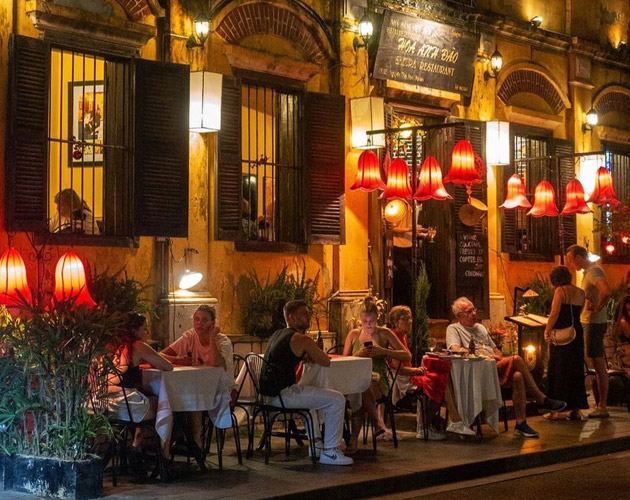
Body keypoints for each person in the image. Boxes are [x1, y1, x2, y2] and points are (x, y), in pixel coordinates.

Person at [446, 297, 566, 438]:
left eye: (474, 309)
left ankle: (521, 423)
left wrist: (496, 357)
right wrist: (482, 354)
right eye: (469, 311)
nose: (474, 313)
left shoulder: (481, 328)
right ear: (459, 315)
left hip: (494, 366)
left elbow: (497, 351)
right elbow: (455, 349)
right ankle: (541, 398)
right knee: (517, 359)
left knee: (517, 376)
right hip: (476, 372)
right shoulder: (454, 329)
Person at [260, 300, 353, 466]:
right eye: (304, 313)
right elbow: (325, 361)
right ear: (291, 317)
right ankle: (331, 451)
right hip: (283, 395)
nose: (309, 317)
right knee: (337, 399)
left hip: (267, 395)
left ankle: (316, 444)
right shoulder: (301, 339)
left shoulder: (277, 335)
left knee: (312, 396)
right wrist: (312, 349)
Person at [388, 305, 476, 439]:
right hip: (401, 379)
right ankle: (431, 426)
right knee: (439, 382)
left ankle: (444, 422)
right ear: (395, 322)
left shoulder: (403, 336)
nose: (409, 322)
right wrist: (416, 370)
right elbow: (399, 369)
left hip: (408, 375)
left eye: (410, 318)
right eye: (404, 319)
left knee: (442, 377)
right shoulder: (393, 337)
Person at [343, 297, 411, 452]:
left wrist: (383, 351)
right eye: (365, 321)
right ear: (360, 320)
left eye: (372, 321)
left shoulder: (384, 333)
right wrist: (359, 354)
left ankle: (353, 440)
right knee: (361, 388)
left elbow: (406, 355)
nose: (368, 325)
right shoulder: (354, 334)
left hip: (378, 380)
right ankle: (377, 422)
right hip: (356, 378)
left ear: (377, 319)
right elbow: (343, 360)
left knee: (363, 389)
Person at [161, 305, 234, 449]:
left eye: (205, 320)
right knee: (178, 397)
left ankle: (195, 441)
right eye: (197, 319)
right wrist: (178, 360)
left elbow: (215, 362)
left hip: (221, 390)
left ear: (213, 323)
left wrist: (212, 337)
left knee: (193, 397)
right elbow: (160, 355)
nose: (200, 323)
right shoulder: (190, 336)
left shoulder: (222, 341)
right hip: (196, 388)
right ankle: (177, 443)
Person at [107, 313, 173, 456]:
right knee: (166, 404)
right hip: (128, 406)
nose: (147, 332)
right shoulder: (138, 346)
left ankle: (137, 443)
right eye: (144, 328)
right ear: (134, 331)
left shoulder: (114, 346)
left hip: (110, 403)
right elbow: (167, 366)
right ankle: (164, 454)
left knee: (145, 397)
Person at [565, 244, 612, 419]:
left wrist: (597, 308)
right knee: (594, 362)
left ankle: (602, 406)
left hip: (593, 323)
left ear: (579, 258)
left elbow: (606, 291)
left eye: (571, 260)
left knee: (597, 363)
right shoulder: (588, 272)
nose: (570, 265)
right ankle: (599, 404)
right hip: (589, 322)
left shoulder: (593, 271)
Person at [543, 266, 588, 420]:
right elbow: (578, 312)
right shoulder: (581, 292)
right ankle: (576, 410)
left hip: (561, 334)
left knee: (557, 370)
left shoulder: (560, 291)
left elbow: (555, 313)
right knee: (575, 370)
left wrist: (547, 330)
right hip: (576, 333)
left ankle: (555, 411)